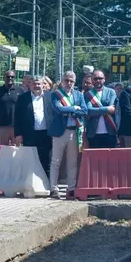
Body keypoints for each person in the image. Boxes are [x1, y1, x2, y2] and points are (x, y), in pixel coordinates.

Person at [47, 71, 87, 199]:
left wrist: (72, 110)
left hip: (73, 131)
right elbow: (58, 109)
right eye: (66, 80)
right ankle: (53, 189)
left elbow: (85, 111)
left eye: (71, 81)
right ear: (62, 81)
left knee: (72, 162)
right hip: (59, 132)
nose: (69, 83)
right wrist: (75, 108)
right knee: (55, 161)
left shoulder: (79, 95)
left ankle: (71, 189)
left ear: (75, 83)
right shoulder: (55, 95)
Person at [12, 76, 53, 181]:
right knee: (30, 160)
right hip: (29, 134)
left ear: (43, 85)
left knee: (46, 160)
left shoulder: (50, 97)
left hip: (46, 134)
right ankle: (30, 184)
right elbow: (17, 117)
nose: (37, 86)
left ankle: (46, 185)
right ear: (30, 85)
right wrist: (18, 134)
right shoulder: (22, 98)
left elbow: (53, 115)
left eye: (39, 84)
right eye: (34, 84)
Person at [83, 70, 118, 149]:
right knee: (95, 160)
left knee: (109, 160)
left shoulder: (111, 92)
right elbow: (89, 111)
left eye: (100, 78)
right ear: (92, 80)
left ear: (104, 79)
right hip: (93, 133)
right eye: (95, 79)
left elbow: (112, 109)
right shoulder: (88, 94)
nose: (98, 80)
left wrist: (97, 110)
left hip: (110, 132)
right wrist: (106, 110)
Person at [0, 70, 20, 149]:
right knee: (2, 152)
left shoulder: (20, 91)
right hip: (2, 127)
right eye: (8, 77)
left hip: (16, 127)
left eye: (12, 77)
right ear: (4, 78)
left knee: (16, 152)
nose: (10, 78)